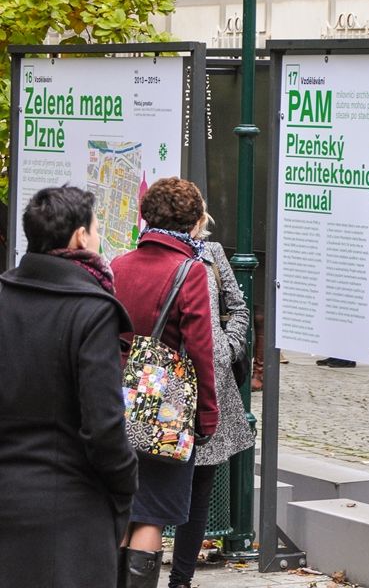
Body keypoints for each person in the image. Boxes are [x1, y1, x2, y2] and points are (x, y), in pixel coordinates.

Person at [0, 185, 138, 588]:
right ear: (80, 236)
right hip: (72, 514)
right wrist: (125, 484)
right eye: (96, 229)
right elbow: (104, 426)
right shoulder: (92, 311)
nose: (98, 238)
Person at [112, 177, 218, 588]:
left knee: (121, 508)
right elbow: (201, 351)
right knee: (151, 514)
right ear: (193, 223)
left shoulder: (117, 265)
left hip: (114, 406)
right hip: (164, 416)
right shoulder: (189, 272)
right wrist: (206, 416)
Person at [168, 237, 255, 588]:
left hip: (209, 379)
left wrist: (227, 347)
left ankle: (181, 579)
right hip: (162, 383)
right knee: (156, 485)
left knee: (201, 482)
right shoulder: (147, 257)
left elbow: (238, 307)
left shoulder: (212, 253)